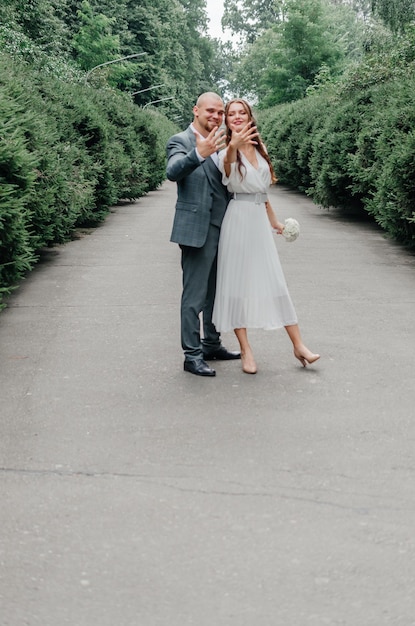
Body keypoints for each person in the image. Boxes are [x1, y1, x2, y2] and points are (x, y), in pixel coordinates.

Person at [212, 98, 320, 374]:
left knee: (275, 281)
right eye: (231, 114)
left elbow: (263, 192)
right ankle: (246, 351)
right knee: (236, 286)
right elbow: (227, 169)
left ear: (250, 118)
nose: (236, 117)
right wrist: (233, 147)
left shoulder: (260, 148)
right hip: (237, 219)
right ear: (226, 120)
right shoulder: (225, 149)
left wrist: (277, 223)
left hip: (259, 221)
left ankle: (298, 345)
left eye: (242, 113)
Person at [166, 92, 241, 377]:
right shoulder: (180, 140)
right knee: (194, 297)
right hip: (196, 231)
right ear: (196, 110)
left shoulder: (223, 141)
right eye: (211, 111)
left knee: (215, 294)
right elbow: (172, 172)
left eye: (220, 113)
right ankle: (192, 355)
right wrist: (199, 153)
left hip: (225, 229)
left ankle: (212, 343)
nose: (216, 117)